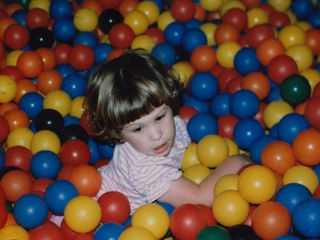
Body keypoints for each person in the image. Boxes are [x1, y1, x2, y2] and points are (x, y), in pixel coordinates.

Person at [84, 49, 251, 214]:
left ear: (169, 103)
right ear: (118, 133)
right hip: (97, 212)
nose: (157, 135)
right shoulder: (145, 169)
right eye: (138, 129)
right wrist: (238, 162)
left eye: (159, 118)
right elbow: (200, 200)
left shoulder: (173, 124)